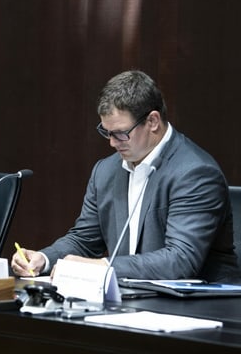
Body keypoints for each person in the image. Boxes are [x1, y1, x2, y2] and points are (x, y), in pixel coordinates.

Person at [12, 70, 240, 283]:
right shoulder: (106, 171)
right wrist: (44, 258)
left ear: (152, 121)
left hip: (198, 309)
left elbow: (180, 261)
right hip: (129, 301)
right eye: (107, 133)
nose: (112, 143)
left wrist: (102, 266)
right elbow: (84, 239)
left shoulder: (195, 173)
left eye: (121, 133)